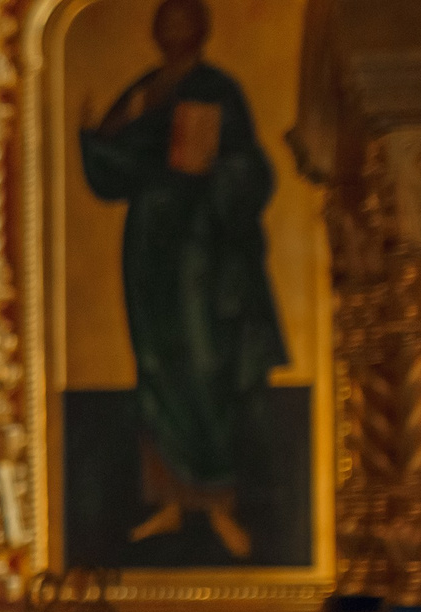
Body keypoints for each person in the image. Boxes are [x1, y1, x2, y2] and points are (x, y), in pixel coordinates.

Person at [79, 0, 285, 561]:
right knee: (156, 363)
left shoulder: (219, 89)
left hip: (202, 249)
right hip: (150, 245)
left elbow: (252, 169)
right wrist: (95, 137)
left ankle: (219, 504)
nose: (171, 29)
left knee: (203, 365)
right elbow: (111, 167)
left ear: (199, 28)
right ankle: (168, 498)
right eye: (162, 20)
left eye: (181, 19)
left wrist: (216, 172)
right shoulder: (145, 89)